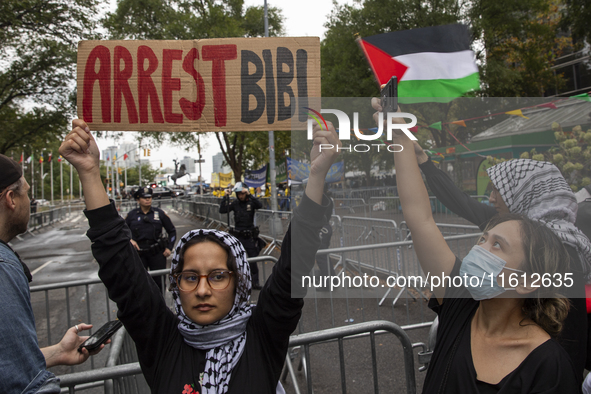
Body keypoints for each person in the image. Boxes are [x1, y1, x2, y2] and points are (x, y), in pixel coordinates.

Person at [59, 118, 339, 393]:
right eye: (190, 277)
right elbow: (121, 269)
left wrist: (316, 176)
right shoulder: (162, 341)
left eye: (218, 276)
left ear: (239, 282)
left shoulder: (263, 334)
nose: (203, 290)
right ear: (175, 284)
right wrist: (89, 173)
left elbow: (295, 263)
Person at [371, 98, 591, 382]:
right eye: (482, 238)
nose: (478, 249)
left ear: (529, 280)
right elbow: (421, 218)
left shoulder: (548, 364)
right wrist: (406, 142)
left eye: (497, 244)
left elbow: (570, 344)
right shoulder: (460, 305)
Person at [0, 153, 107, 393]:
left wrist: (57, 352)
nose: (30, 201)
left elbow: (7, 361)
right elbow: (21, 383)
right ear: (11, 199)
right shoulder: (2, 266)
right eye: (27, 193)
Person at [125, 186, 177, 292]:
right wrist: (130, 240)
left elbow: (172, 231)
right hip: (139, 253)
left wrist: (169, 248)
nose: (148, 199)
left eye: (149, 197)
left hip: (156, 253)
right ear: (138, 200)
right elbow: (122, 232)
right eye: (144, 198)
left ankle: (159, 307)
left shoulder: (159, 213)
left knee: (159, 283)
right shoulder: (132, 215)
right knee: (139, 283)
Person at [219, 181, 264, 290]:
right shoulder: (235, 203)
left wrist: (249, 194)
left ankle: (255, 282)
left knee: (253, 261)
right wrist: (225, 197)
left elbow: (260, 205)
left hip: (249, 237)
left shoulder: (251, 202)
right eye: (239, 194)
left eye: (242, 193)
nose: (241, 196)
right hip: (238, 236)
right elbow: (222, 210)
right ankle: (238, 283)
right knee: (236, 260)